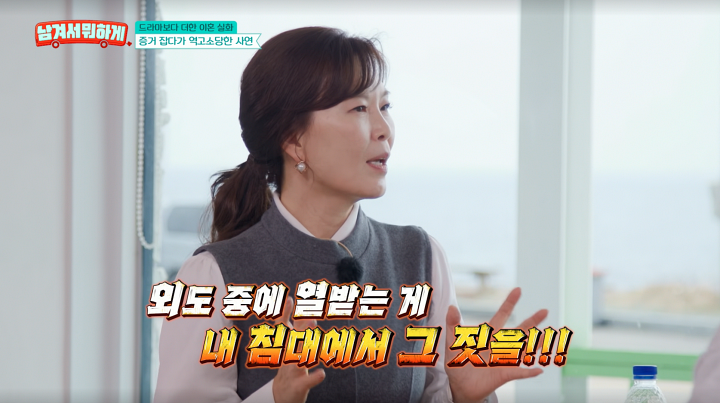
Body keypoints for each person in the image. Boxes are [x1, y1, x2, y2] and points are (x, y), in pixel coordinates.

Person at [153, 26, 548, 403]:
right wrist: (276, 396)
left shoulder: (422, 256)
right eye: (359, 108)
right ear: (293, 139)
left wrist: (463, 394)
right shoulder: (210, 276)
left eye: (385, 106)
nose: (384, 128)